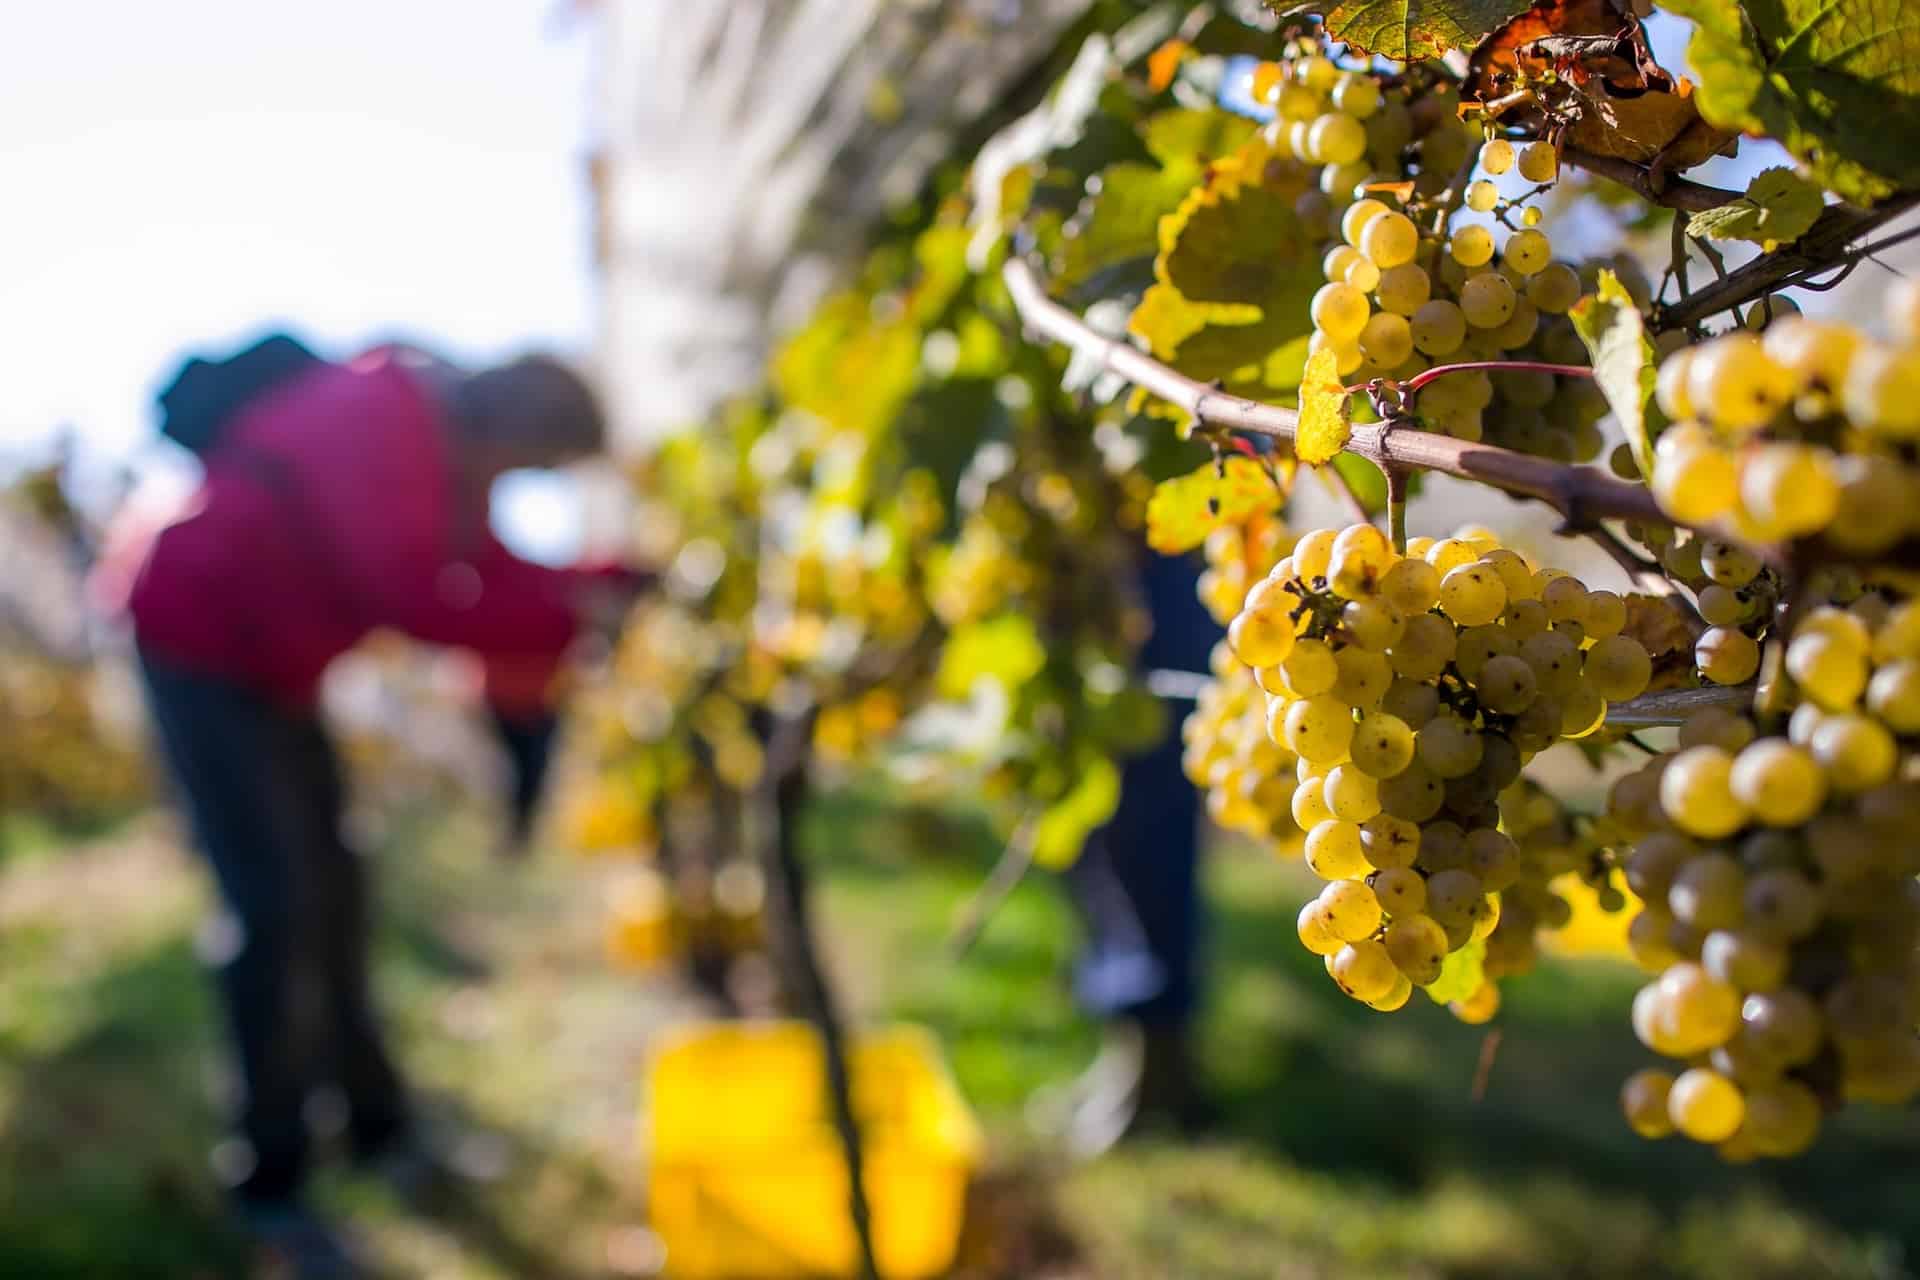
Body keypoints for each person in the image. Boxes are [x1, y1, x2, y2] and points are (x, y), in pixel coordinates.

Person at [100, 338, 642, 1275]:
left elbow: (477, 566)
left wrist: (600, 587)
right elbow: (411, 594)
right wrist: (572, 618)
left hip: (273, 668)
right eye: (538, 466)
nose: (523, 483)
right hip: (196, 645)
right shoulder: (383, 413)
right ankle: (270, 1184)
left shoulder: (439, 452)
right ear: (518, 426)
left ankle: (379, 1135)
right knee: (272, 908)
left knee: (337, 890)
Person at [1057, 548, 1221, 1155]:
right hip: (1099, 562)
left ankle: (1161, 1061)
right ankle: (1127, 1044)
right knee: (1092, 824)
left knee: (1149, 819)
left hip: (1168, 568)